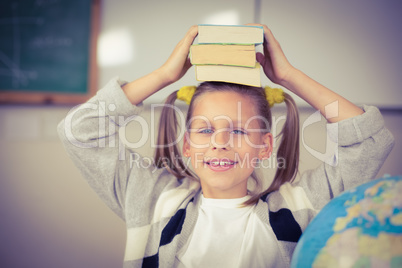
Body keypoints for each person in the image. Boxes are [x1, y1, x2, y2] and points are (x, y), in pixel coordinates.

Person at [58, 24, 394, 267]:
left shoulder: (305, 206)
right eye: (204, 131)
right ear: (187, 145)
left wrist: (289, 75)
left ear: (264, 146)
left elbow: (370, 143)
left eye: (237, 132)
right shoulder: (150, 199)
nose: (219, 144)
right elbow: (80, 131)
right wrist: (164, 75)